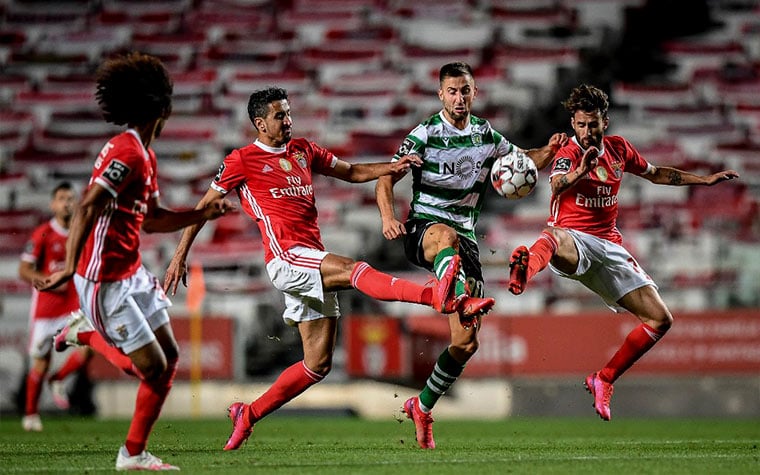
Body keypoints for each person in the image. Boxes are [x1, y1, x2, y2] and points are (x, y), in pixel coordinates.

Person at [163, 86, 464, 452]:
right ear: (259, 123)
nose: (288, 121)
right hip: (287, 257)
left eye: (289, 113)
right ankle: (435, 295)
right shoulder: (242, 160)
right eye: (279, 116)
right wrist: (180, 255)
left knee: (316, 365)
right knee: (354, 269)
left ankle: (248, 414)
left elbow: (350, 171)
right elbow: (205, 207)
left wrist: (392, 167)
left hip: (309, 257)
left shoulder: (303, 150)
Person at [35, 52, 234, 471]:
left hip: (130, 273)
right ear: (163, 109)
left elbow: (154, 220)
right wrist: (69, 266)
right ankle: (87, 336)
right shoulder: (128, 154)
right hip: (103, 282)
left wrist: (202, 215)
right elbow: (88, 206)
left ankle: (134, 453)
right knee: (152, 369)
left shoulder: (142, 153)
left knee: (169, 360)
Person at [507, 84, 740, 421]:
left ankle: (603, 379)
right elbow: (556, 185)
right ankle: (523, 273)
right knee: (553, 237)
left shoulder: (619, 149)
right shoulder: (568, 152)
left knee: (660, 320)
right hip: (574, 236)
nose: (587, 132)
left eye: (594, 124)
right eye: (581, 125)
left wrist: (703, 181)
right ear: (573, 124)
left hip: (610, 247)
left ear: (606, 122)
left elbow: (657, 173)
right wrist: (581, 170)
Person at [375, 61, 568, 449]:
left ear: (474, 92)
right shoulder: (424, 134)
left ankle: (423, 406)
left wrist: (549, 149)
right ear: (440, 94)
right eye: (452, 91)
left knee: (466, 343)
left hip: (466, 239)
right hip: (424, 228)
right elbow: (386, 175)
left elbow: (521, 162)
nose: (459, 98)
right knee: (444, 235)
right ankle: (453, 291)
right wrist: (387, 217)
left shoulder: (485, 134)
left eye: (465, 91)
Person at [18, 182, 94, 431]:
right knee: (41, 361)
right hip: (46, 309)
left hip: (72, 306)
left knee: (90, 343)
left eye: (70, 198)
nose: (67, 202)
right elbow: (23, 269)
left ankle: (58, 379)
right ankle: (31, 415)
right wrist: (47, 282)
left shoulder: (81, 232)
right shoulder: (42, 234)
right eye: (61, 198)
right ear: (52, 204)